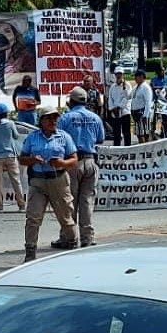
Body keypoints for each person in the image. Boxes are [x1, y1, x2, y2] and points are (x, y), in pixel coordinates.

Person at [19, 107, 79, 261]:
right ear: (41, 121)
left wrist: (62, 163)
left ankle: (73, 246)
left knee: (66, 218)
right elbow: (22, 158)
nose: (53, 121)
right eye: (49, 118)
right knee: (33, 218)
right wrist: (33, 160)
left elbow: (74, 159)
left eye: (55, 118)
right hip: (38, 181)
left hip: (58, 180)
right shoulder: (33, 138)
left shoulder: (64, 137)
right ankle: (30, 254)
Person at [59, 87, 106, 247]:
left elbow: (59, 140)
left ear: (71, 101)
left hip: (72, 162)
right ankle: (87, 238)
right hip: (91, 161)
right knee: (87, 201)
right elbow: (100, 138)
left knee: (69, 201)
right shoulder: (95, 118)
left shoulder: (66, 118)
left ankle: (69, 237)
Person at [0, 103, 24, 211]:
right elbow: (16, 136)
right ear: (6, 113)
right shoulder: (10, 124)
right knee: (16, 181)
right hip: (11, 155)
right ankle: (21, 205)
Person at [107, 73, 132, 146]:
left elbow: (127, 97)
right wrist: (112, 108)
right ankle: (117, 148)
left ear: (123, 75)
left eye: (120, 74)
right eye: (117, 74)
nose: (118, 76)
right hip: (115, 113)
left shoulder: (127, 85)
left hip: (125, 111)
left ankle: (128, 148)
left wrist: (119, 107)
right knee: (116, 132)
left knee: (126, 132)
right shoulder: (113, 86)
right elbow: (110, 98)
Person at [130, 68, 154, 141]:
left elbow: (148, 102)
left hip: (142, 114)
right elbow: (130, 97)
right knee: (139, 134)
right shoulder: (135, 87)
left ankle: (146, 150)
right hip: (135, 114)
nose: (135, 78)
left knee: (144, 134)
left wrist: (145, 115)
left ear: (141, 77)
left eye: (136, 76)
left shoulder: (146, 88)